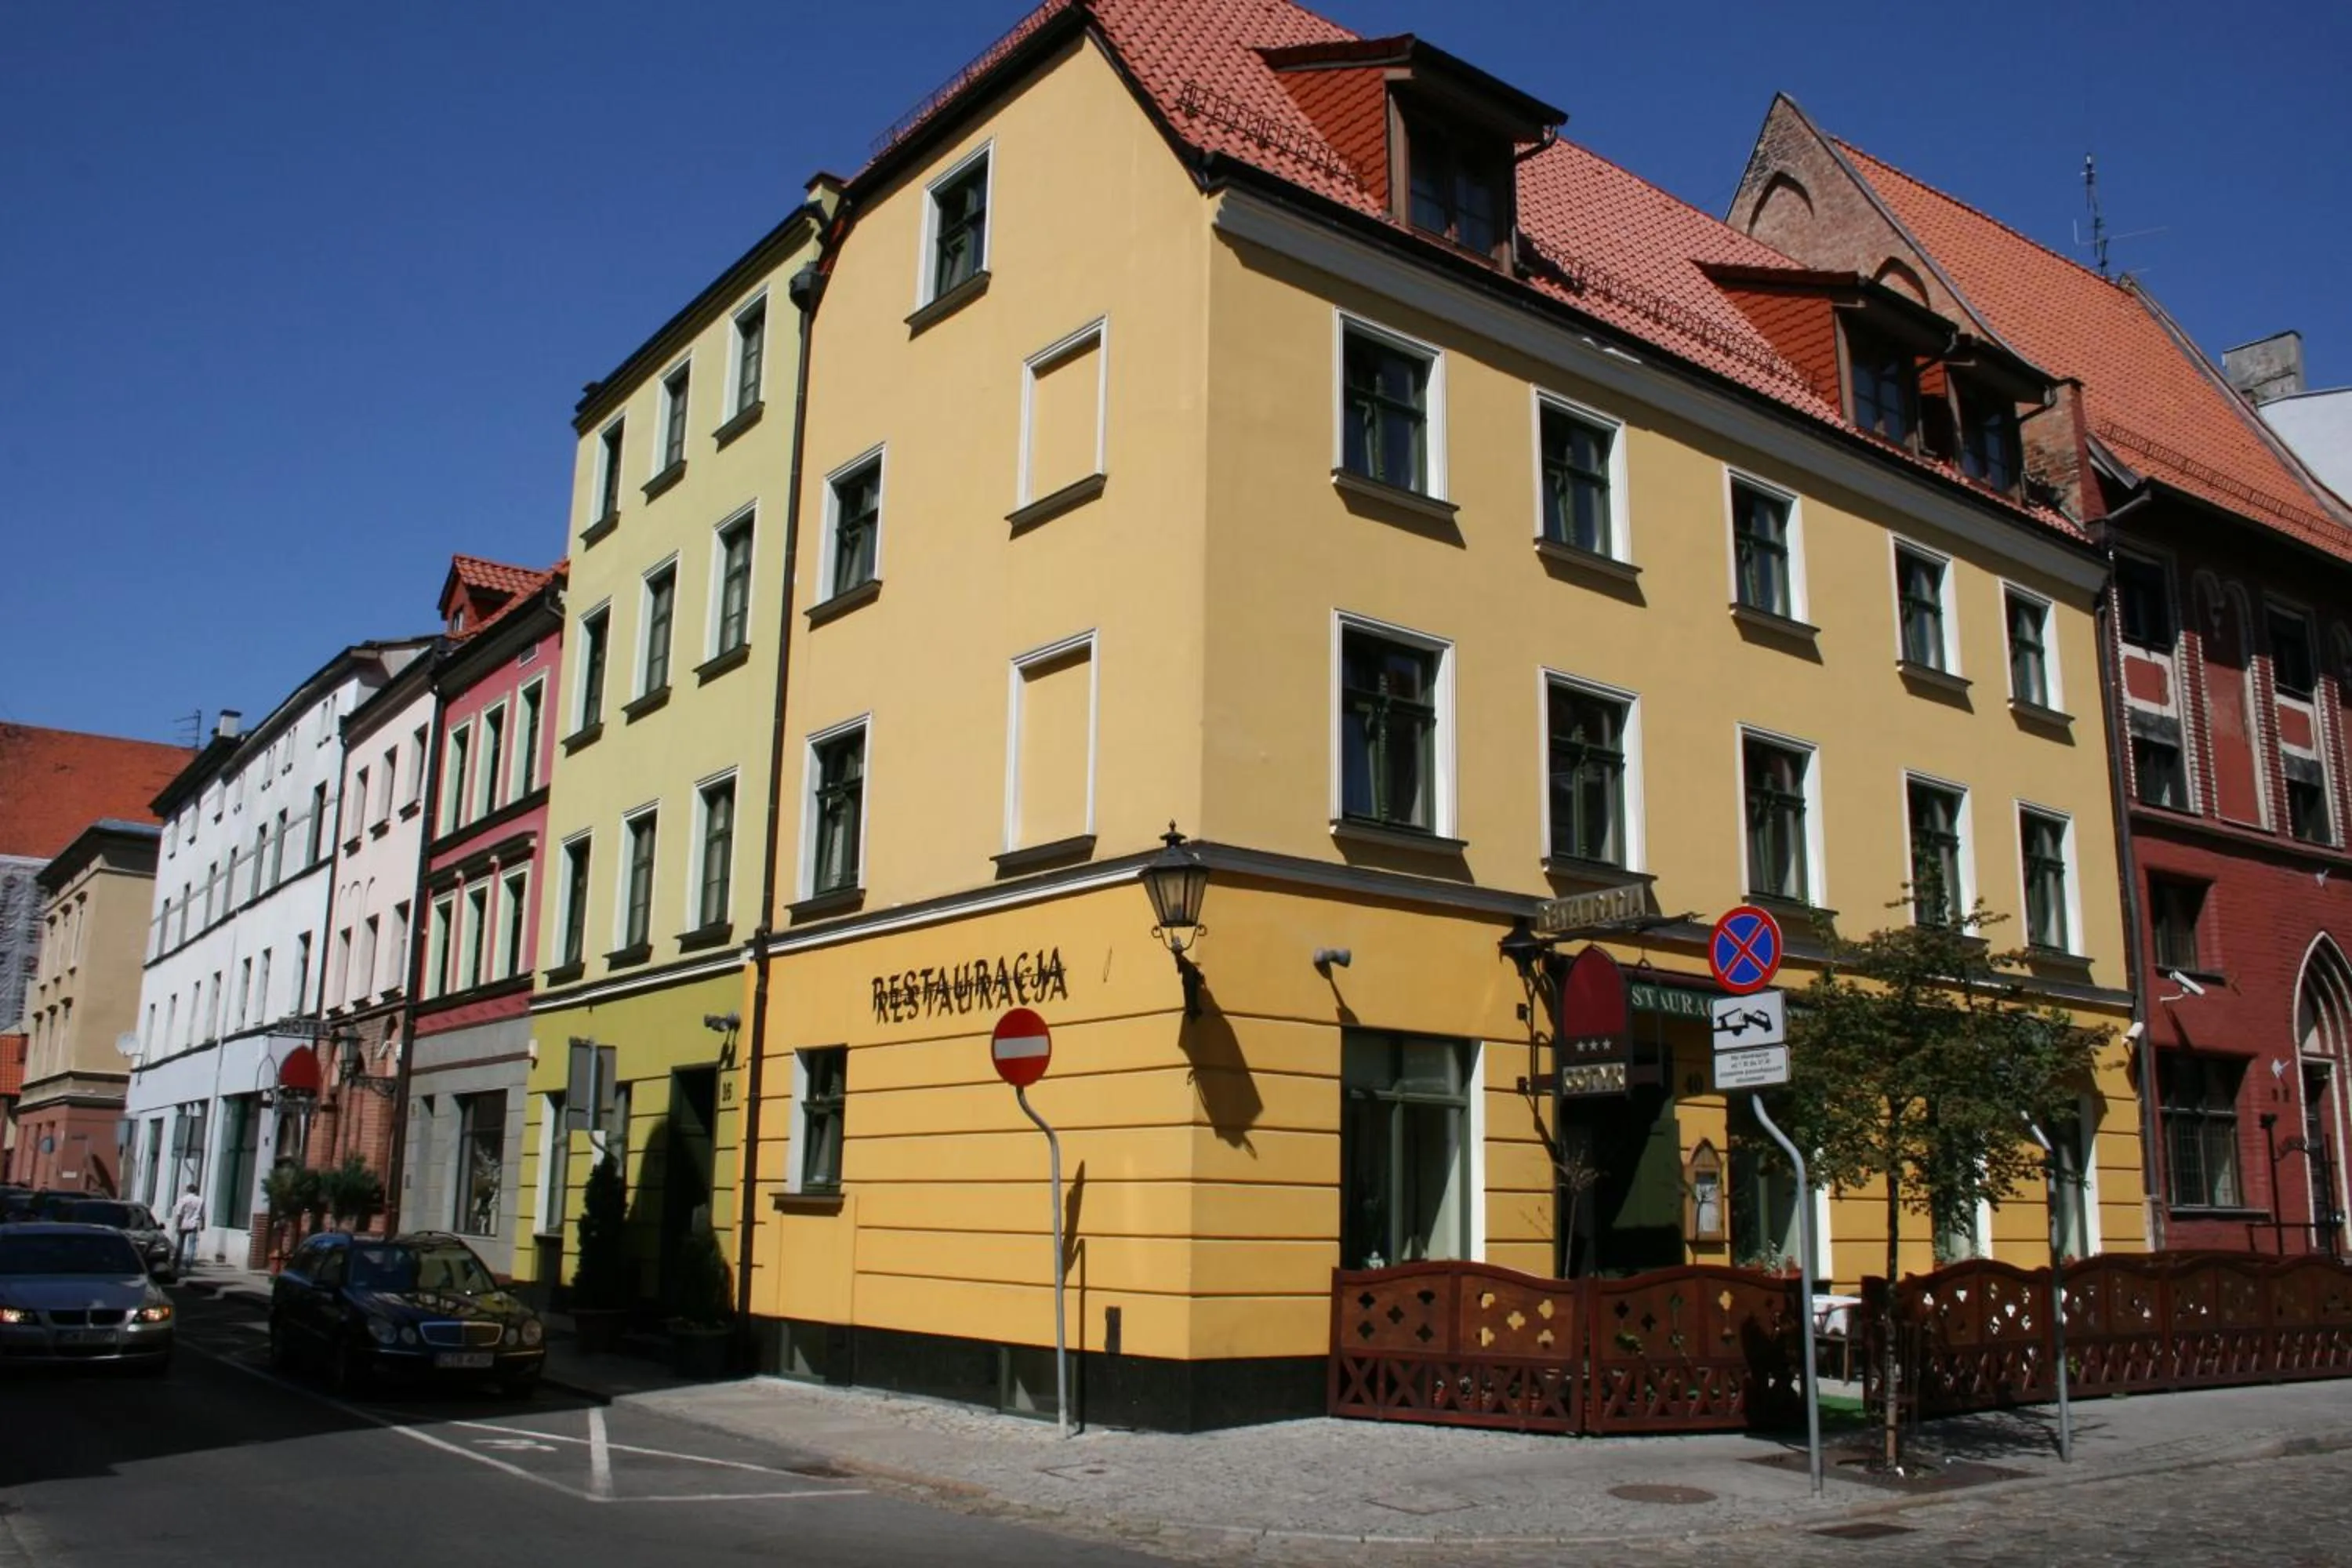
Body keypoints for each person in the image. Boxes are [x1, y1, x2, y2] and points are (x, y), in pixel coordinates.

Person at [170, 1185, 204, 1274]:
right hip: (194, 1224)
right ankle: (189, 1264)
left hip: (183, 1224)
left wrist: (178, 1224)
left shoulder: (183, 1200)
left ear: (188, 1190)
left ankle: (177, 1263)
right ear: (196, 1190)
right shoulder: (200, 1200)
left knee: (180, 1244)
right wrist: (203, 1224)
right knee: (192, 1245)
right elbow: (202, 1214)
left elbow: (179, 1213)